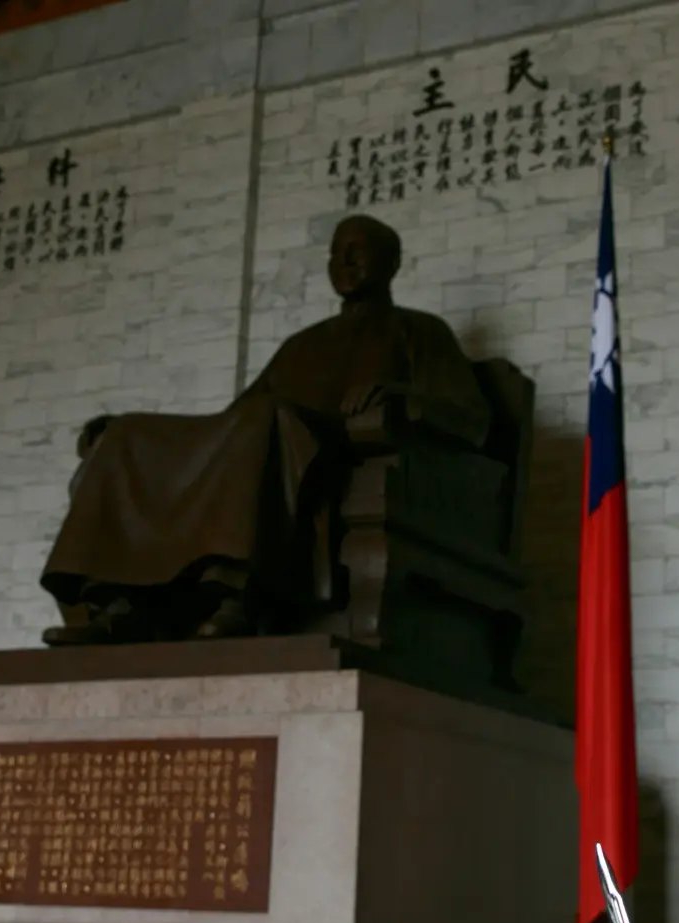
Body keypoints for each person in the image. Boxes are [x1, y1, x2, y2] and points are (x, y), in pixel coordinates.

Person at [40, 215, 491, 644]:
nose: (346, 263)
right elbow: (229, 423)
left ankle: (238, 594)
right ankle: (119, 603)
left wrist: (401, 395)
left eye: (359, 251)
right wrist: (126, 430)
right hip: (269, 439)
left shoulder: (420, 332)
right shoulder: (302, 344)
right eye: (337, 253)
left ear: (391, 263)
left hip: (332, 458)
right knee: (129, 434)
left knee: (268, 418)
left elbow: (473, 421)